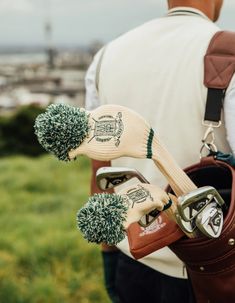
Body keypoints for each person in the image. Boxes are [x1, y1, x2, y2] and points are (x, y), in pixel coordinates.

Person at [85, 0, 235, 302]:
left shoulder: (106, 56)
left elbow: (100, 169)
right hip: (211, 272)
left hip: (132, 259)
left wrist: (108, 254)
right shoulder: (230, 53)